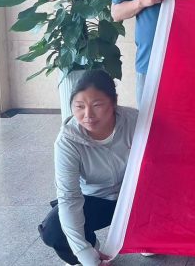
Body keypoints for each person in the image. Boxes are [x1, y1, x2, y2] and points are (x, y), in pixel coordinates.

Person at [38, 70, 138, 266]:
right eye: (79, 106)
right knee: (53, 230)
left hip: (134, 198)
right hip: (95, 199)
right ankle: (91, 246)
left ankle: (144, 237)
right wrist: (84, 252)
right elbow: (68, 197)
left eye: (97, 105)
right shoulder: (67, 141)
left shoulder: (136, 122)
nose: (88, 115)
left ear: (114, 102)